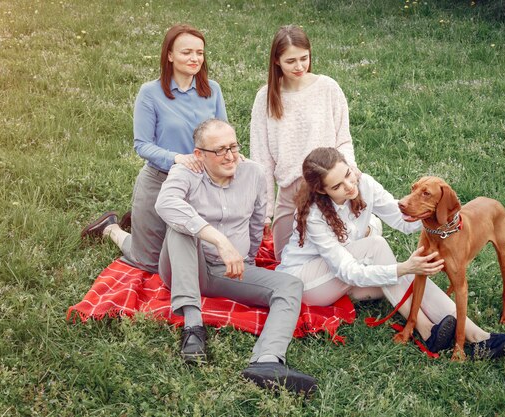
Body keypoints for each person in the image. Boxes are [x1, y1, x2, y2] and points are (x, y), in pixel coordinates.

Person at [277, 147, 505, 359]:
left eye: (348, 174)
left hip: (345, 274)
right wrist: (404, 267)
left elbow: (405, 221)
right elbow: (347, 271)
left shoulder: (364, 184)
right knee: (382, 250)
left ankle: (479, 337)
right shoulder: (314, 214)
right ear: (322, 191)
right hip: (307, 283)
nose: (349, 185)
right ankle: (426, 329)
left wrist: (442, 214)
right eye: (338, 186)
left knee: (411, 275)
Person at [154, 119, 317, 395]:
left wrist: (248, 259)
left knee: (290, 286)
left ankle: (266, 362)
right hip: (186, 267)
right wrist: (220, 241)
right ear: (199, 155)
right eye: (219, 150)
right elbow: (165, 203)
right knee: (180, 227)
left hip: (226, 273)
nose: (230, 156)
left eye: (233, 146)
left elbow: (256, 223)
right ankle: (193, 328)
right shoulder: (186, 173)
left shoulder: (253, 173)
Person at [81, 24, 227, 273]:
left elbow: (222, 133)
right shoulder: (150, 93)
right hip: (160, 181)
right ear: (169, 55)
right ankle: (111, 228)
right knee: (149, 263)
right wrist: (177, 158)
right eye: (186, 52)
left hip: (201, 184)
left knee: (199, 259)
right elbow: (142, 145)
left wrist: (230, 153)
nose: (194, 59)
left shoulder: (212, 90)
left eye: (200, 53)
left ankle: (137, 221)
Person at [250, 25, 359, 261]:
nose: (299, 67)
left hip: (328, 188)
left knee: (338, 258)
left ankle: (366, 229)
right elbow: (261, 159)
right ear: (277, 61)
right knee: (285, 261)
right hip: (290, 191)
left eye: (304, 58)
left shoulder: (328, 88)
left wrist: (349, 174)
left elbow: (343, 139)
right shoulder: (265, 97)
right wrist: (265, 211)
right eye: (291, 61)